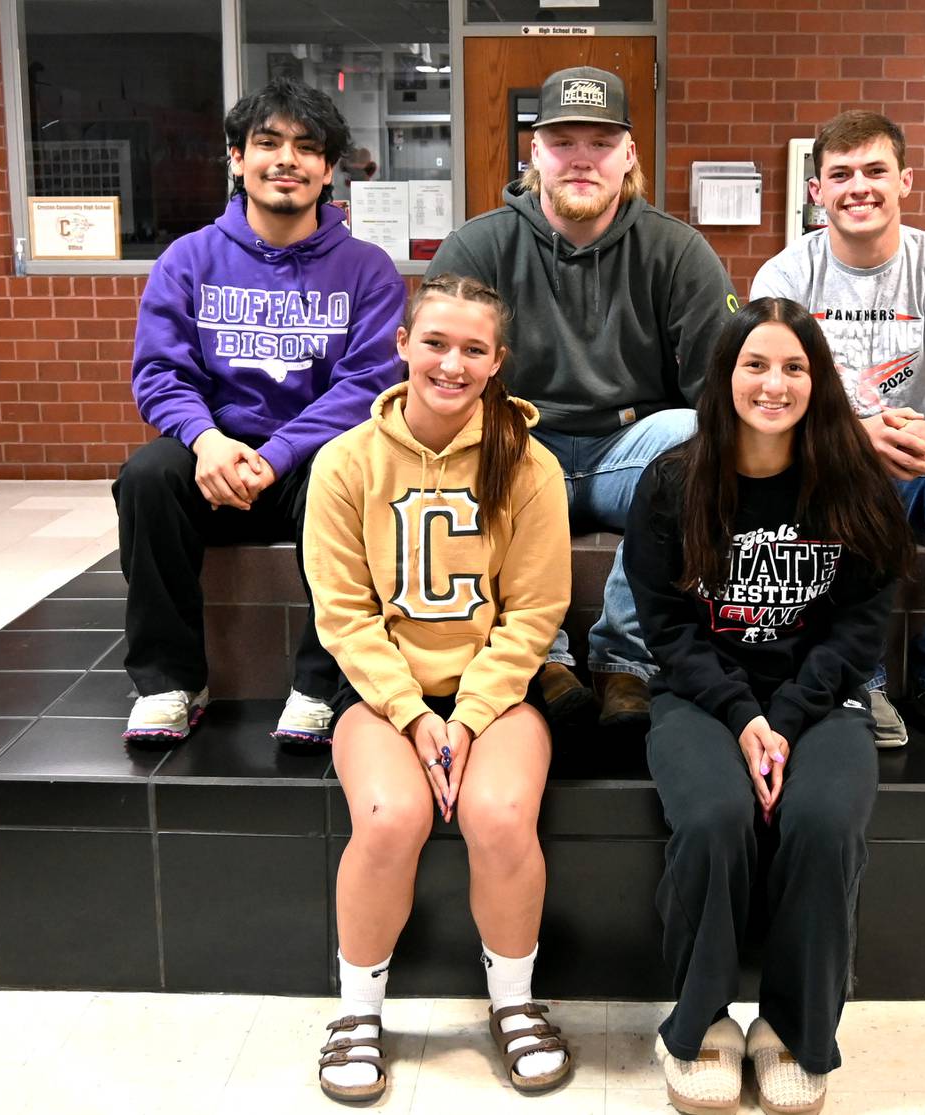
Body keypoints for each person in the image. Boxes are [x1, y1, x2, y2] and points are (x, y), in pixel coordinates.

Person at [624, 297, 911, 1115]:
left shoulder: (857, 484)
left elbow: (860, 631)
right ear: (726, 374)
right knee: (715, 817)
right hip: (700, 697)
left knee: (823, 821)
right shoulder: (672, 482)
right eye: (755, 364)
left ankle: (793, 1030)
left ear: (819, 381)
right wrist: (740, 715)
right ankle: (702, 1024)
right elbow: (669, 630)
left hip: (819, 702)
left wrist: (782, 719)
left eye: (794, 366)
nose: (774, 384)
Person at [303, 275, 573, 1103]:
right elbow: (344, 614)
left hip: (497, 693)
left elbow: (534, 611)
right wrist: (415, 715)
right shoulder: (345, 462)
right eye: (435, 343)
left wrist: (472, 715)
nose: (452, 363)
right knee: (390, 817)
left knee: (500, 813)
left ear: (497, 362)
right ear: (402, 346)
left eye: (473, 349)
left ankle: (515, 1003)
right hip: (384, 695)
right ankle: (357, 1014)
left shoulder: (529, 466)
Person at [427, 65, 737, 728]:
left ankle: (624, 662)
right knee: (471, 435)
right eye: (563, 141)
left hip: (628, 452)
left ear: (629, 155)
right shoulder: (478, 247)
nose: (581, 159)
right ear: (535, 153)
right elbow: (442, 379)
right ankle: (542, 659)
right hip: (518, 449)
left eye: (600, 142)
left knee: (699, 436)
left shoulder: (679, 252)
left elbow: (717, 391)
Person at [113, 78, 405, 748]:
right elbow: (160, 372)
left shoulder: (368, 269)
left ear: (328, 169)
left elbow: (367, 385)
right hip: (214, 455)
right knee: (147, 477)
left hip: (311, 461)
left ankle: (320, 684)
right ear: (237, 158)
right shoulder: (188, 259)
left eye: (307, 147)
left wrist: (276, 456)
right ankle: (168, 681)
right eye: (268, 142)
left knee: (356, 476)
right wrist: (206, 440)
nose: (287, 159)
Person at [751, 110, 925, 752]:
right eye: (841, 174)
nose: (859, 187)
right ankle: (858, 678)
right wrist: (853, 436)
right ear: (817, 190)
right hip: (825, 466)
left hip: (916, 460)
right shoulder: (785, 276)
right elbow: (768, 398)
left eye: (875, 171)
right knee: (836, 472)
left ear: (905, 181)